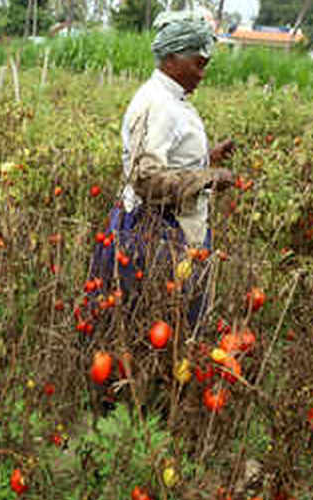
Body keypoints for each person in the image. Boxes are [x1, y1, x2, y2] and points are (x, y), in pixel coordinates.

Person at [89, 10, 235, 325]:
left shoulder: (171, 100)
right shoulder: (159, 104)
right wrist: (207, 179)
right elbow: (147, 180)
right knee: (161, 324)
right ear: (171, 60)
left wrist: (208, 158)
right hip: (159, 233)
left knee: (164, 325)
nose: (202, 74)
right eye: (198, 63)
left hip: (169, 228)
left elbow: (164, 163)